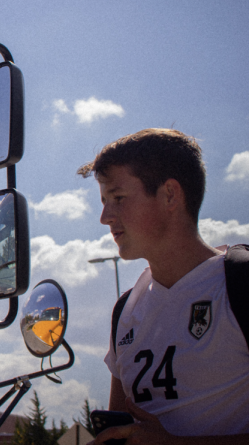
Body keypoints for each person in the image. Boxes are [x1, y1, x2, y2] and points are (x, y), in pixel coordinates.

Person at [77, 128, 249, 444]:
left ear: (170, 194)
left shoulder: (238, 280)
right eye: (103, 201)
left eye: (117, 198)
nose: (104, 217)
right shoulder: (125, 310)